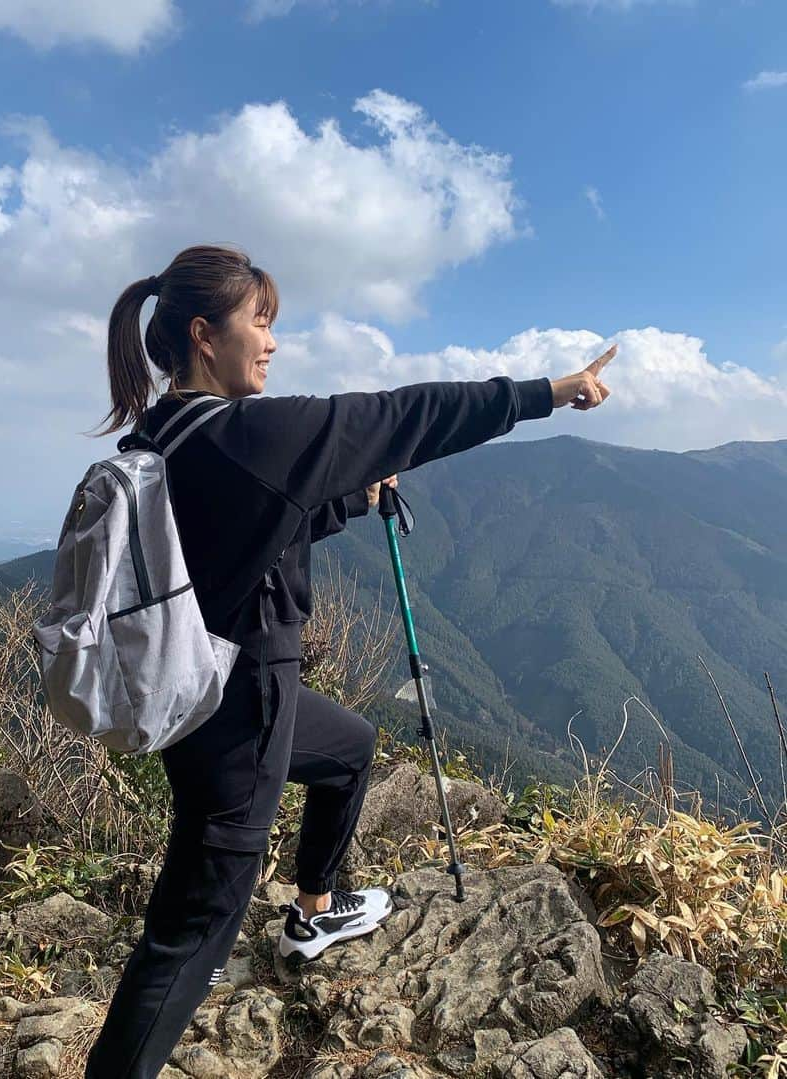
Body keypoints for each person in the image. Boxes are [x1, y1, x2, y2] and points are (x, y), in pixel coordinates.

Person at [85, 244, 614, 1077]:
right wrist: (549, 392)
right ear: (203, 334)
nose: (272, 342)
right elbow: (410, 411)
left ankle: (315, 908)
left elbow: (247, 532)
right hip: (239, 708)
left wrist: (350, 497)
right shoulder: (247, 431)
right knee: (192, 930)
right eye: (260, 322)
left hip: (205, 688)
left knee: (350, 750)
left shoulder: (167, 432)